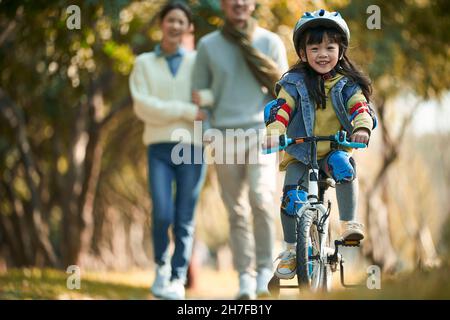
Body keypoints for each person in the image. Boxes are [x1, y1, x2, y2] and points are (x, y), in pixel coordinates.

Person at [264, 9, 377, 280]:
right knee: (291, 198)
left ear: (341, 50)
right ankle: (291, 250)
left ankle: (349, 223)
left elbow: (359, 107)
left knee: (345, 166)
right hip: (301, 152)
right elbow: (281, 109)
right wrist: (274, 131)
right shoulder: (293, 83)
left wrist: (361, 126)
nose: (322, 54)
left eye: (329, 47)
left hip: (333, 149)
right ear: (303, 53)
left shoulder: (347, 84)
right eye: (314, 48)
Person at [192, 0, 288, 299]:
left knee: (261, 199)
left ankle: (263, 272)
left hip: (261, 135)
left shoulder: (270, 42)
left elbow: (285, 93)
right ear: (223, 4)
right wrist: (206, 133)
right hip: (223, 136)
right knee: (236, 211)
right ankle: (245, 277)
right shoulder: (207, 46)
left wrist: (277, 129)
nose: (238, 3)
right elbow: (200, 97)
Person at [129, 1, 212, 300]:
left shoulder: (198, 61)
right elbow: (143, 107)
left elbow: (211, 98)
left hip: (193, 148)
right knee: (162, 213)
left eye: (181, 21)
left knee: (184, 218)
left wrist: (200, 104)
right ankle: (161, 268)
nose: (175, 26)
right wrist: (187, 110)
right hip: (159, 148)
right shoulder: (143, 65)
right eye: (170, 20)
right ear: (161, 23)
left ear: (188, 28)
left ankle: (178, 279)